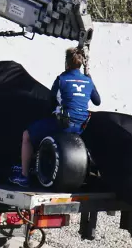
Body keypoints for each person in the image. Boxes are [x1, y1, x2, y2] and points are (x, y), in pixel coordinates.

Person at [9, 47, 101, 188]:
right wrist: (89, 76)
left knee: (27, 135)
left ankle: (24, 175)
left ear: (67, 62)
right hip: (82, 126)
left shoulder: (61, 79)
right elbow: (97, 101)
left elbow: (51, 103)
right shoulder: (88, 81)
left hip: (64, 125)